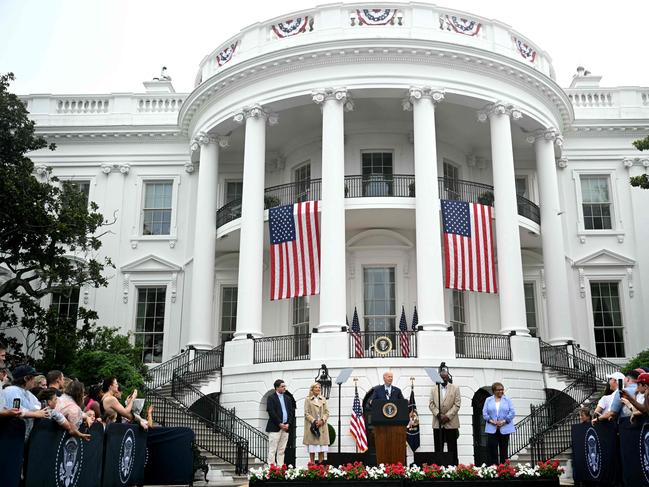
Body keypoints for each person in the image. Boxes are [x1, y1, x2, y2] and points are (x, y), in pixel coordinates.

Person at [2, 364, 51, 439]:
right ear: (26, 378)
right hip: (10, 437)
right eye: (33, 378)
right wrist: (35, 414)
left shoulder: (28, 393)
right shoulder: (11, 390)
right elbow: (15, 411)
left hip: (22, 437)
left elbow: (39, 407)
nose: (34, 380)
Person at [429, 366, 461, 465]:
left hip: (451, 422)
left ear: (448, 378)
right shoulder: (434, 389)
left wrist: (447, 416)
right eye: (441, 377)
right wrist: (438, 415)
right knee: (438, 447)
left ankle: (454, 466)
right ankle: (439, 466)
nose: (443, 379)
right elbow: (431, 404)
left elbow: (457, 404)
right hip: (438, 422)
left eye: (445, 377)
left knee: (452, 447)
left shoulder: (455, 388)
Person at [482, 382, 516, 466]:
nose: (501, 391)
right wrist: (492, 421)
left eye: (502, 389)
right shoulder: (488, 400)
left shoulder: (507, 400)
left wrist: (504, 421)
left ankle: (504, 469)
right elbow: (484, 413)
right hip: (491, 428)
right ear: (494, 391)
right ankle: (494, 469)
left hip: (505, 428)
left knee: (504, 450)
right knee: (493, 450)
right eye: (498, 390)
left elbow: (512, 412)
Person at [266, 379, 295, 466]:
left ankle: (280, 468)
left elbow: (291, 412)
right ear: (277, 388)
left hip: (286, 428)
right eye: (282, 386)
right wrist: (280, 424)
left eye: (284, 386)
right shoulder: (271, 398)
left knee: (282, 450)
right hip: (275, 427)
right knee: (272, 449)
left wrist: (288, 424)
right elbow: (271, 412)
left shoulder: (288, 398)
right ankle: (272, 468)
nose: (284, 388)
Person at [303, 382, 330, 463]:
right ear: (312, 389)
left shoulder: (323, 399)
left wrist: (322, 420)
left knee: (321, 449)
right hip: (312, 427)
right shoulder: (308, 399)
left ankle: (320, 468)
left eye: (319, 387)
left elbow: (327, 412)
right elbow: (306, 413)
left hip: (322, 427)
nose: (318, 389)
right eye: (316, 387)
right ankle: (312, 467)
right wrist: (314, 421)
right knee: (312, 449)